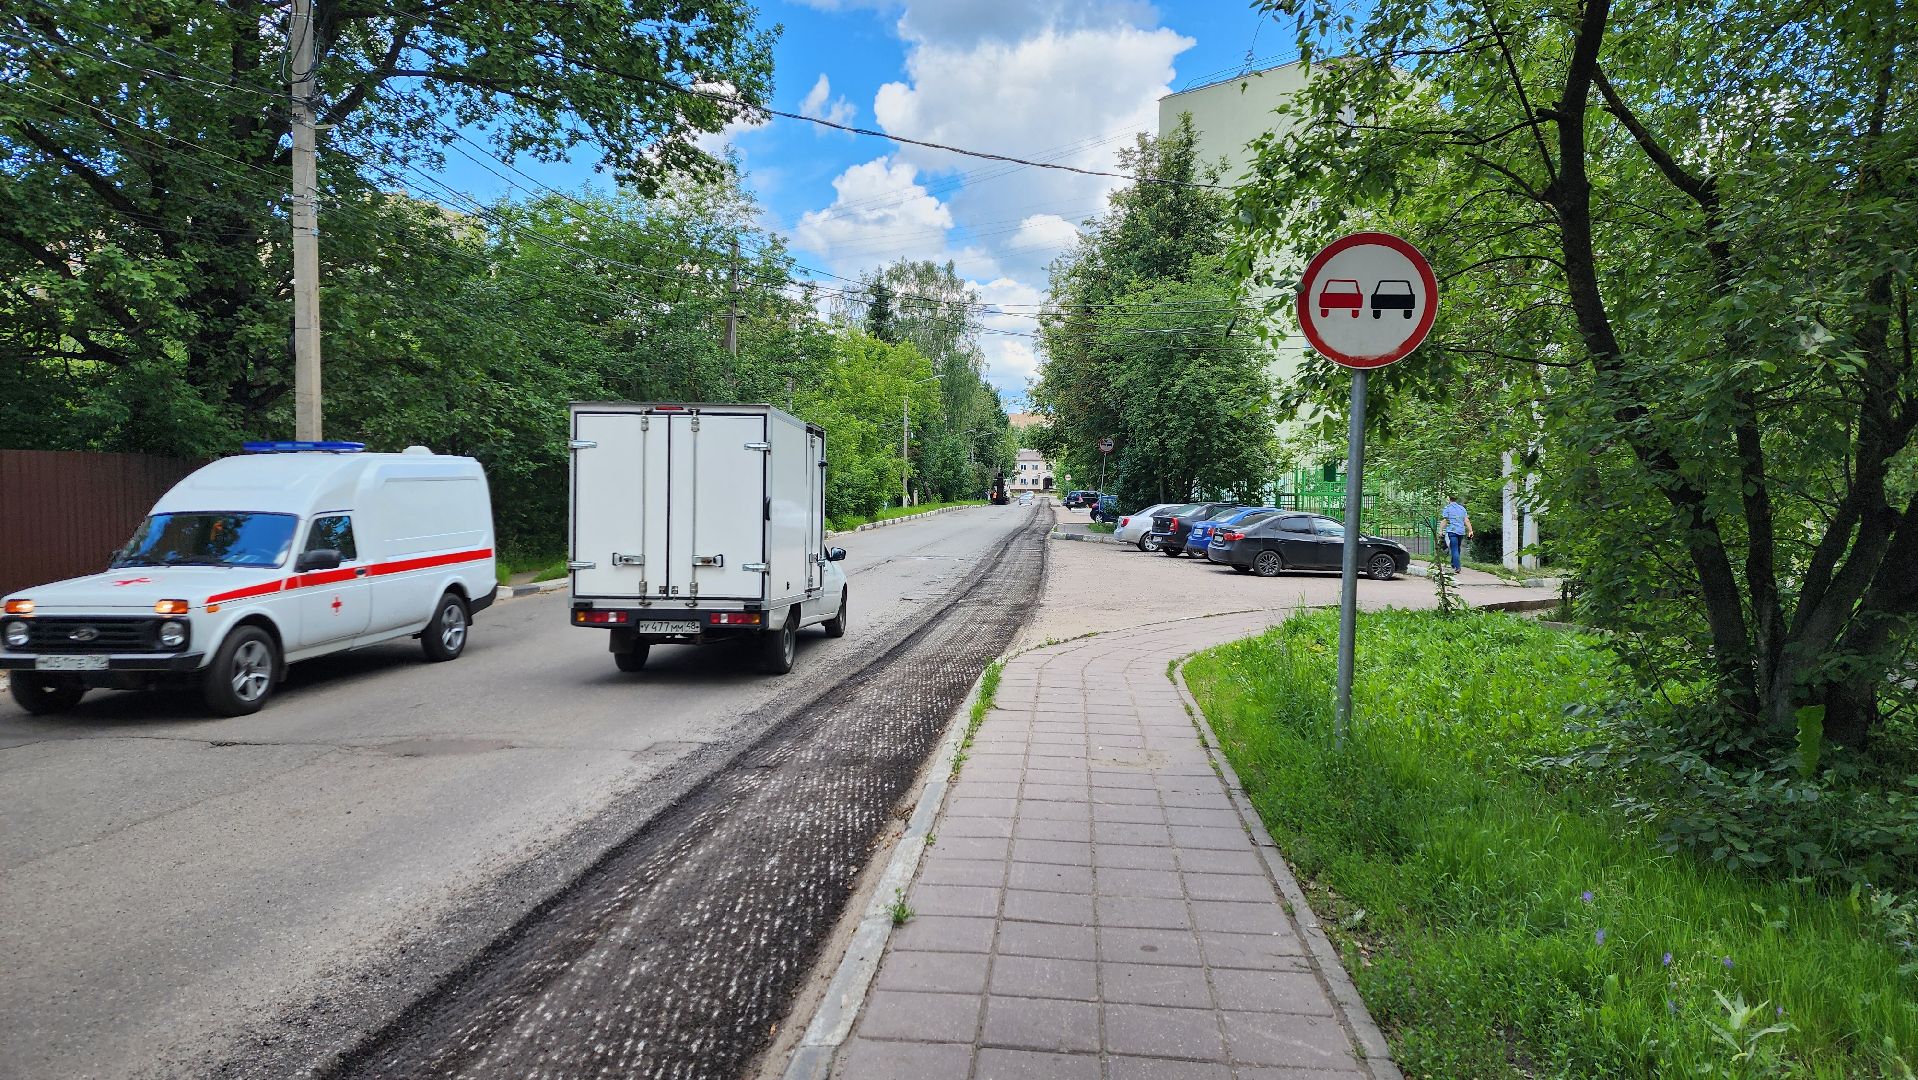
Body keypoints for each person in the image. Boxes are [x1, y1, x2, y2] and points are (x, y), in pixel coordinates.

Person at [1440, 495, 1473, 572]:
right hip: (1461, 531)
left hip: (1452, 531)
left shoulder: (1447, 508)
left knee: (1454, 548)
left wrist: (1441, 530)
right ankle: (1453, 563)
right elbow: (1466, 520)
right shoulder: (1462, 508)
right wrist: (1470, 530)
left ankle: (1457, 567)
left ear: (1448, 499)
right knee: (1457, 548)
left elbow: (1445, 521)